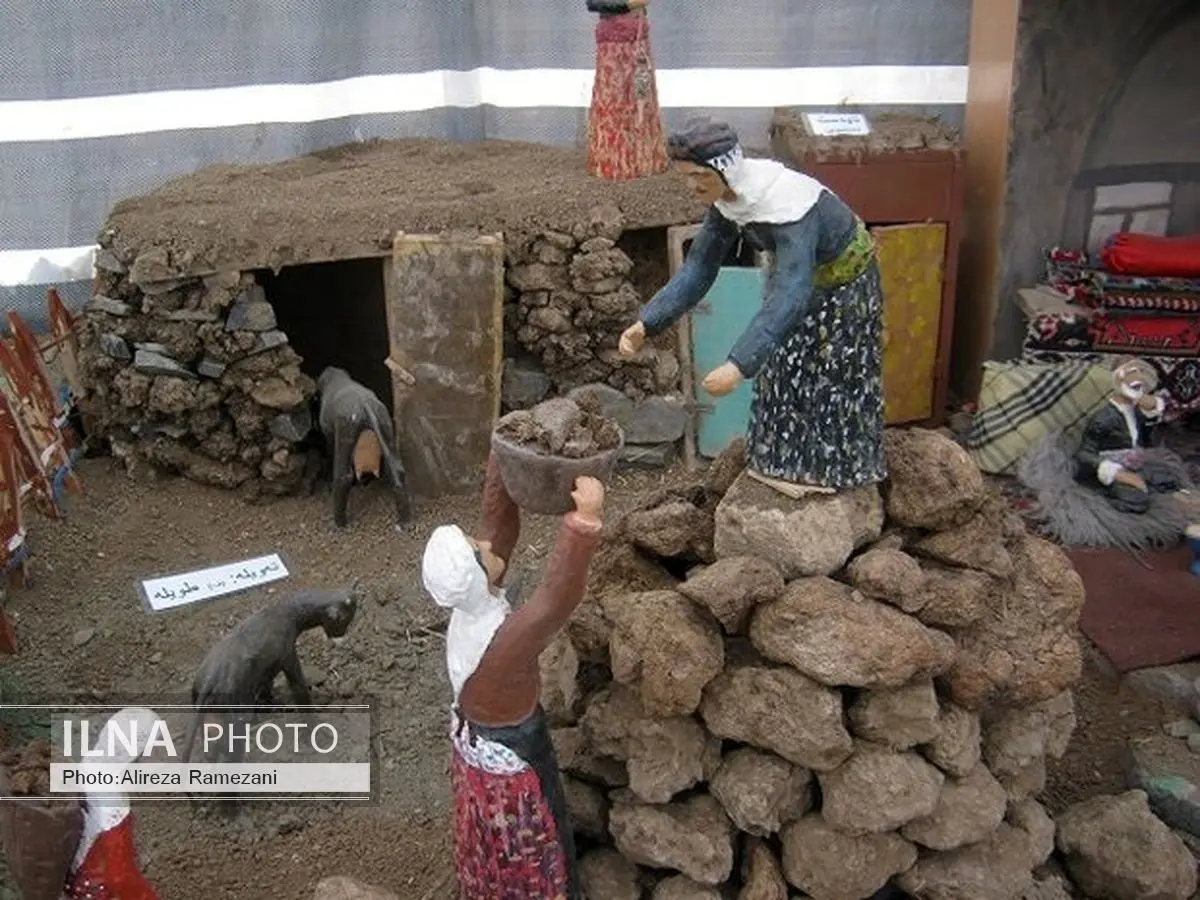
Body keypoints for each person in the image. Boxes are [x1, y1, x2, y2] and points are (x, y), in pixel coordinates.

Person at [618, 117, 887, 494]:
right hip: (794, 283)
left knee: (829, 377)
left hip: (843, 290)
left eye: (700, 176)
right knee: (781, 372)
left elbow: (792, 292)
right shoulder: (728, 203)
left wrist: (738, 364)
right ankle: (781, 461)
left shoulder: (788, 205)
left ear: (724, 169)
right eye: (688, 176)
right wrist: (648, 323)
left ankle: (834, 470)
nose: (693, 185)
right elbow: (699, 267)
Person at [421, 454, 605, 900]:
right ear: (478, 577)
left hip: (484, 743)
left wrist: (500, 467)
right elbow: (552, 603)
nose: (485, 547)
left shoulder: (472, 606)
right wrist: (583, 523)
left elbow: (495, 538)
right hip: (514, 750)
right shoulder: (499, 641)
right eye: (478, 554)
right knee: (536, 834)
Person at [63, 707, 160, 899]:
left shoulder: (88, 763)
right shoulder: (113, 800)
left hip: (72, 878)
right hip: (96, 886)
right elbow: (120, 876)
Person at [1074, 357, 1178, 514]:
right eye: (1131, 372)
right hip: (1109, 470)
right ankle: (1101, 500)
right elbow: (1084, 455)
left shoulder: (1134, 410)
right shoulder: (1104, 418)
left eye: (1140, 371)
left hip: (1133, 464)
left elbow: (1154, 409)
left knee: (1167, 480)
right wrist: (1118, 474)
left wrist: (1142, 399)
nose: (1139, 377)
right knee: (1137, 501)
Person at [585, 0, 669, 181]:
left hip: (636, 36)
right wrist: (630, 4)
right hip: (614, 41)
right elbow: (593, 3)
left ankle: (643, 160)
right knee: (615, 101)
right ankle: (615, 163)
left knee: (641, 99)